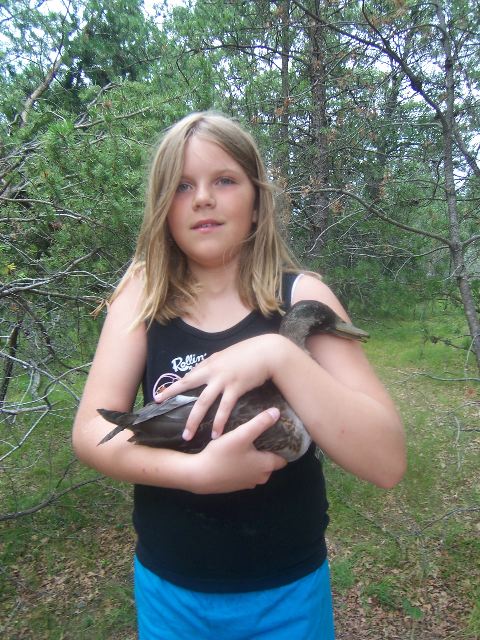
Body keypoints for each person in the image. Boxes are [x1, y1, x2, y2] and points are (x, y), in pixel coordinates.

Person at [72, 111, 406, 639]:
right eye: (182, 186)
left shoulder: (304, 299)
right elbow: (92, 433)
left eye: (224, 180)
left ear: (256, 200)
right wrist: (196, 475)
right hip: (171, 595)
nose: (203, 198)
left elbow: (386, 462)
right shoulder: (142, 298)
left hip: (288, 596)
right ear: (162, 207)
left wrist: (280, 355)